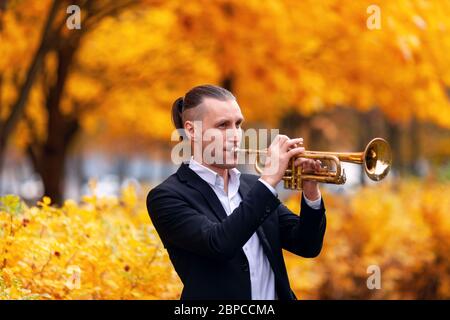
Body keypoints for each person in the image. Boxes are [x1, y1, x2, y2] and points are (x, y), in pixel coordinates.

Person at [146, 84, 326, 300]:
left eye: (238, 124)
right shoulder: (166, 196)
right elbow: (219, 244)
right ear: (192, 130)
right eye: (223, 126)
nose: (235, 136)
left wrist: (311, 190)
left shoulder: (253, 186)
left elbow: (307, 245)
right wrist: (269, 180)